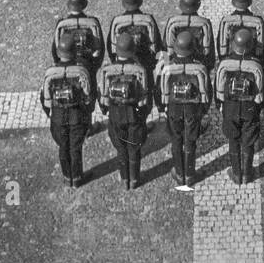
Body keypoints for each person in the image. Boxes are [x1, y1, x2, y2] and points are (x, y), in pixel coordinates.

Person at [154, 29, 211, 190]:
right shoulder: (199, 67)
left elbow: (158, 90)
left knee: (176, 140)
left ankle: (179, 173)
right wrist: (202, 111)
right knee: (190, 141)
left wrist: (162, 108)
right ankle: (190, 175)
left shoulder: (167, 67)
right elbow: (208, 92)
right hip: (193, 111)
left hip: (173, 110)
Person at [97, 31, 150, 190]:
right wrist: (143, 114)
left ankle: (124, 178)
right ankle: (135, 179)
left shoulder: (107, 71)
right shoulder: (139, 70)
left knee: (120, 148)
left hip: (115, 114)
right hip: (134, 114)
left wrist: (106, 110)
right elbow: (145, 97)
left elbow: (103, 96)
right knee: (134, 147)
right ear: (133, 50)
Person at [215, 27, 264, 185]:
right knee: (248, 141)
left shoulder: (224, 64)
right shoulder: (256, 65)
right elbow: (263, 91)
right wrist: (258, 108)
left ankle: (237, 173)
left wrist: (221, 107)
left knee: (233, 140)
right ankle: (247, 173)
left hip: (230, 108)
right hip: (250, 109)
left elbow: (217, 90)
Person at [40, 33, 94, 188]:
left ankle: (66, 176)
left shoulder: (51, 73)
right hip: (76, 116)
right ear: (74, 52)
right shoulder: (80, 72)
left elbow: (44, 97)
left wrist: (50, 113)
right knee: (75, 148)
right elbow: (88, 96)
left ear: (58, 53)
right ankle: (77, 177)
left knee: (63, 147)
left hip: (57, 117)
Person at [51, 0, 105, 88]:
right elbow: (100, 50)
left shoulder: (62, 24)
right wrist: (94, 68)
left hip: (66, 66)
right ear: (84, 4)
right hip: (88, 66)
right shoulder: (92, 23)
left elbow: (55, 51)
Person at [107, 0, 161, 79]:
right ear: (140, 1)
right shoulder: (148, 20)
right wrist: (151, 65)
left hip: (121, 64)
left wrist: (116, 62)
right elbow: (157, 45)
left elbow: (110, 46)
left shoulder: (117, 21)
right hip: (144, 64)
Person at [217, 0, 264, 66]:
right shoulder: (258, 21)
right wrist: (261, 63)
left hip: (230, 61)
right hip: (252, 62)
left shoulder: (226, 22)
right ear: (249, 1)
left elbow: (220, 44)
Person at [162, 0, 215, 71]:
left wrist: (166, 66)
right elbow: (210, 51)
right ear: (198, 5)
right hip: (198, 63)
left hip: (175, 63)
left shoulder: (173, 22)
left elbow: (165, 47)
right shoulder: (205, 24)